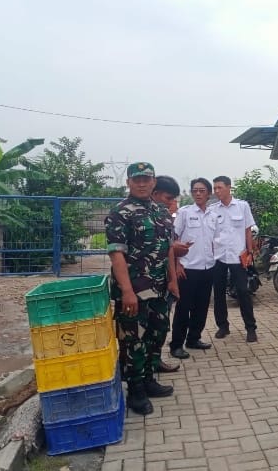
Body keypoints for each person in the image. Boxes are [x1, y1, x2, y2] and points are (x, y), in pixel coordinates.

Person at [106, 162, 179, 415]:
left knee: (156, 334)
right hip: (134, 291)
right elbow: (116, 254)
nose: (141, 183)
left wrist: (173, 280)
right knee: (133, 340)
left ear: (153, 182)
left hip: (159, 288)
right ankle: (135, 391)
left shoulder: (160, 211)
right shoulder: (120, 212)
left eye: (146, 179)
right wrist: (126, 291)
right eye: (136, 179)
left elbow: (168, 249)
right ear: (128, 182)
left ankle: (149, 380)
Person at [169, 177, 216, 358]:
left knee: (201, 307)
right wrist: (177, 264)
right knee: (183, 308)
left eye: (202, 190)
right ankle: (176, 344)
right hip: (187, 269)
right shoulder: (184, 213)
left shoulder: (213, 215)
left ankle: (194, 338)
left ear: (209, 193)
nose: (198, 193)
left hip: (208, 267)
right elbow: (173, 240)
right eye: (195, 190)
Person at [210, 175, 259, 343]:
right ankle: (223, 326)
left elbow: (247, 230)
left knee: (243, 292)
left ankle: (251, 328)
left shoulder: (242, 206)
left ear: (229, 187)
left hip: (238, 256)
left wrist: (250, 252)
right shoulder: (213, 209)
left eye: (220, 187)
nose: (217, 191)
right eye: (215, 188)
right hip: (218, 257)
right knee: (218, 293)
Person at [151, 175, 190, 372]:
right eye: (169, 198)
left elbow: (169, 249)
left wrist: (174, 277)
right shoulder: (137, 215)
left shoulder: (165, 218)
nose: (172, 203)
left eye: (174, 199)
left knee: (161, 324)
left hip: (164, 281)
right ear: (155, 194)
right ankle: (140, 371)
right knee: (143, 330)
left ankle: (155, 360)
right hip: (144, 284)